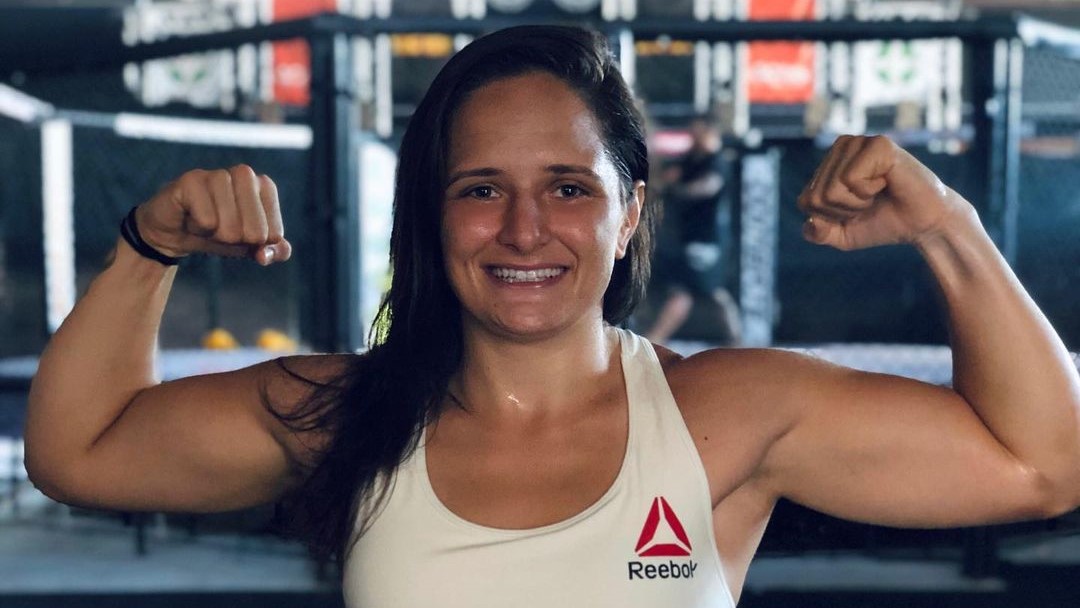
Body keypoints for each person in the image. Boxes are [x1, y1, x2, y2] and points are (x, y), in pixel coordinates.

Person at [23, 25, 1080, 607]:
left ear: (629, 216)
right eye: (481, 187)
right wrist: (148, 248)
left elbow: (1044, 465)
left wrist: (948, 227)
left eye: (569, 188)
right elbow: (78, 453)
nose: (524, 228)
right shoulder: (347, 413)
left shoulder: (725, 414)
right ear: (433, 215)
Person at [646, 116, 741, 345]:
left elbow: (707, 187)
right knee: (710, 292)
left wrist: (676, 189)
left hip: (706, 239)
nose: (693, 137)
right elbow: (667, 176)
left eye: (698, 133)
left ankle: (656, 339)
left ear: (710, 132)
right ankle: (737, 341)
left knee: (691, 292)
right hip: (688, 236)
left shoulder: (717, 161)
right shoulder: (692, 159)